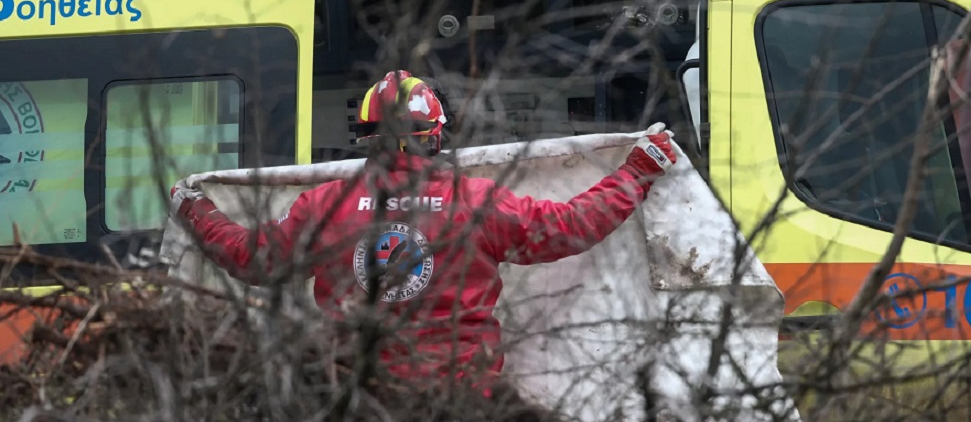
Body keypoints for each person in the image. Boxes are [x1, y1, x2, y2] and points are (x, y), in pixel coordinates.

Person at [170, 70, 676, 381]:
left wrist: (195, 210)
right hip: (463, 400)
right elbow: (571, 226)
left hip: (360, 397)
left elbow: (250, 259)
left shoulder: (325, 206)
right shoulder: (476, 204)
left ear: (366, 137)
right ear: (436, 136)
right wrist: (638, 170)